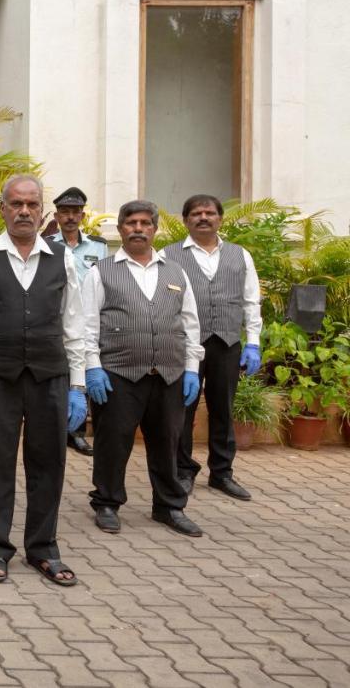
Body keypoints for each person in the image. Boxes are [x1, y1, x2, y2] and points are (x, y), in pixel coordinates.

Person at [0, 175, 87, 586]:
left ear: (42, 210)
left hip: (50, 375)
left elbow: (75, 324)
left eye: (31, 204)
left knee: (48, 463)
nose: (24, 211)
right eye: (16, 204)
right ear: (3, 209)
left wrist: (78, 385)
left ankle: (43, 548)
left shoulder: (62, 258)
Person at [84, 199, 205, 538]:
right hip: (118, 373)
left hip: (169, 373)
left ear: (154, 229)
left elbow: (190, 323)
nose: (138, 228)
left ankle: (168, 506)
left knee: (168, 441)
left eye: (144, 223)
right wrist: (92, 368)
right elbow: (87, 325)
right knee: (113, 441)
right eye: (131, 223)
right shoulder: (101, 271)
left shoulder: (175, 272)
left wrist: (192, 368)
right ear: (121, 229)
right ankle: (106, 503)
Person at [165, 194, 262, 501]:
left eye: (209, 213)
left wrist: (254, 343)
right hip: (184, 346)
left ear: (220, 219)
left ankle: (222, 473)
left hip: (227, 343)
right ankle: (182, 470)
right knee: (182, 410)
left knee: (223, 409)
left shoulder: (240, 255)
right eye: (196, 213)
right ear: (186, 220)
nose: (203, 217)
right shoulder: (168, 255)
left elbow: (251, 301)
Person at [49, 186, 110, 458]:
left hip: (91, 319)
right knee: (63, 373)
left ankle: (79, 433)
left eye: (75, 212)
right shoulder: (48, 245)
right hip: (60, 320)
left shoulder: (98, 246)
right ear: (57, 215)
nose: (70, 217)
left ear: (82, 216)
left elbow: (106, 281)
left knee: (88, 371)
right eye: (65, 212)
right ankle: (60, 429)